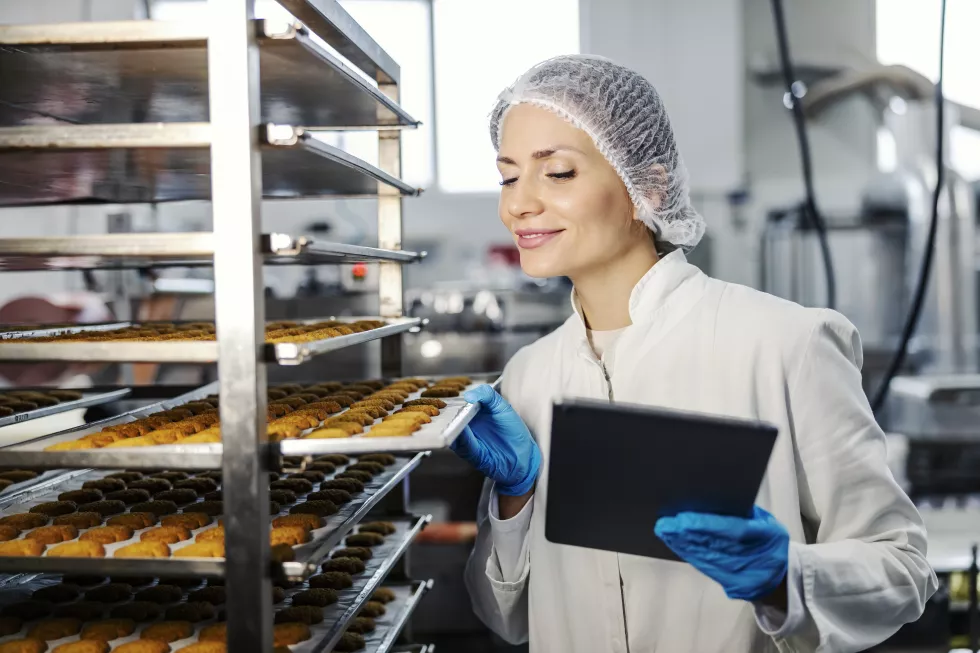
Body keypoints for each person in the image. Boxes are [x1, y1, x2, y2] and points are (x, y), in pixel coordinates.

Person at [451, 54, 937, 653]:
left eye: (557, 173)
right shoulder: (528, 377)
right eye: (507, 176)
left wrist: (784, 579)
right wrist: (515, 500)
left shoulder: (784, 344)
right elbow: (505, 618)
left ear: (646, 187)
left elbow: (903, 570)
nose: (517, 205)